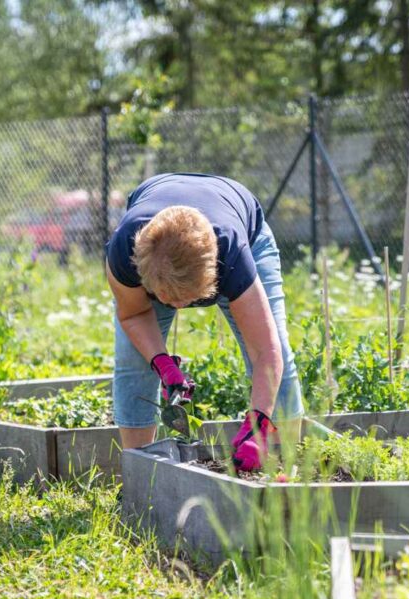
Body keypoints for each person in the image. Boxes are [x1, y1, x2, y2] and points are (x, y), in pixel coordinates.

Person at [105, 172, 302, 471]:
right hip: (160, 248)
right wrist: (162, 363)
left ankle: (284, 468)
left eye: (186, 298)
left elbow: (266, 351)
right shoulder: (125, 252)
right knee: (133, 360)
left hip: (240, 230)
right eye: (168, 299)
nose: (181, 307)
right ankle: (138, 474)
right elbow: (133, 314)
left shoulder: (232, 256)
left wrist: (258, 425)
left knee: (281, 357)